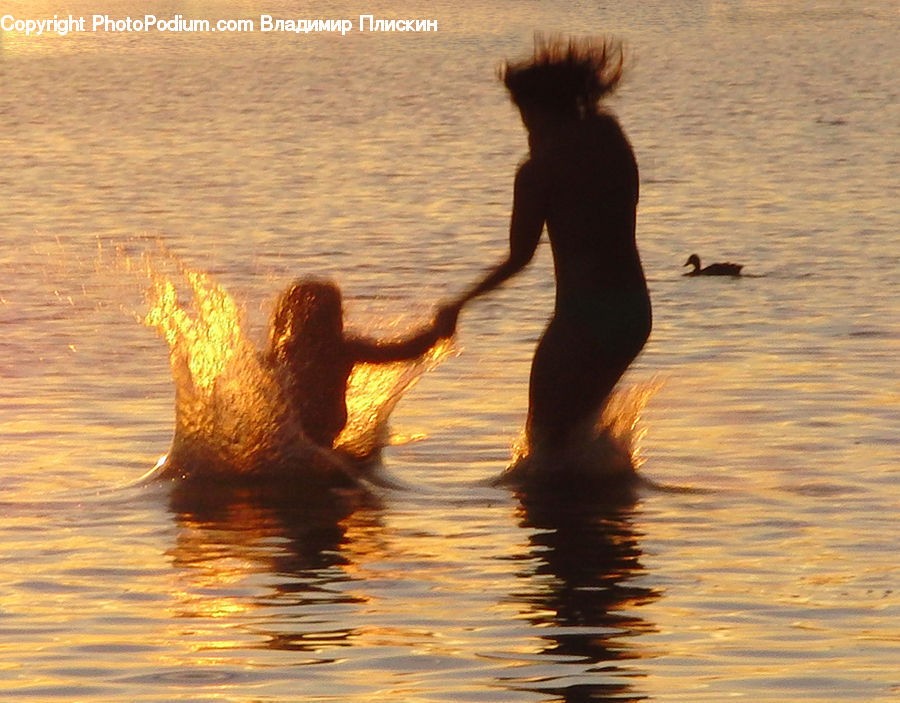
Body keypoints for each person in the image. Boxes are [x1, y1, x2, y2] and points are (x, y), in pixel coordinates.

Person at [441, 36, 652, 459]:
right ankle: (603, 505)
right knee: (577, 428)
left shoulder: (538, 172)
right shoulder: (609, 136)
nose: (521, 120)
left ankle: (566, 513)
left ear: (539, 107)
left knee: (545, 441)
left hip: (583, 317)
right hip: (633, 313)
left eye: (523, 109)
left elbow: (520, 257)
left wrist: (459, 303)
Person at [267, 278, 453, 450]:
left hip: (302, 436)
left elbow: (400, 352)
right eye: (332, 314)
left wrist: (434, 333)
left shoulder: (285, 351)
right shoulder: (339, 349)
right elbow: (402, 352)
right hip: (307, 434)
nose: (340, 319)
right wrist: (435, 333)